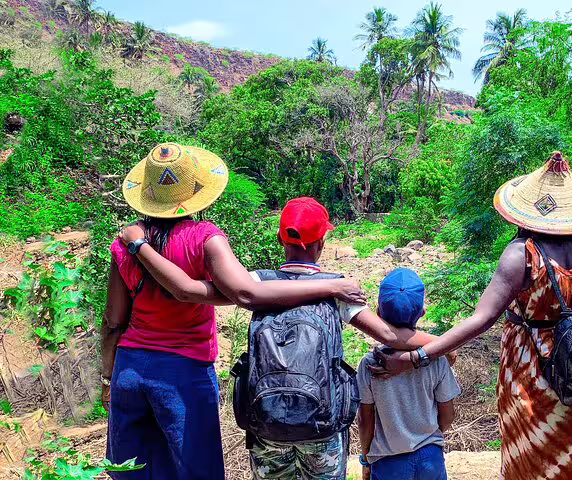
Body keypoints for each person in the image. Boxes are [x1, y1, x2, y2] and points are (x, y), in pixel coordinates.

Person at [119, 195, 453, 479]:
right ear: (322, 244)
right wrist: (440, 347)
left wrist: (140, 245)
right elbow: (388, 334)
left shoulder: (253, 283)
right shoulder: (336, 290)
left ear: (281, 240)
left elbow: (191, 291)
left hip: (267, 423)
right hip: (321, 427)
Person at [102, 143, 365, 480]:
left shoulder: (124, 245)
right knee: (197, 471)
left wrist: (108, 376)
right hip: (184, 372)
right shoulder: (203, 238)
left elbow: (114, 321)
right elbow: (246, 292)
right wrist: (332, 286)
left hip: (130, 369)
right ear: (196, 192)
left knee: (134, 471)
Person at [372, 152, 572, 480]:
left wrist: (416, 357)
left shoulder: (522, 255)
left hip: (535, 383)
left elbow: (481, 320)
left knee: (534, 464)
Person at [357, 268, 460, 480]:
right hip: (430, 457)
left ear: (378, 314)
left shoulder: (369, 365)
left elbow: (365, 421)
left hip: (387, 462)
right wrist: (427, 435)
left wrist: (366, 459)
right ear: (422, 311)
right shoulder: (437, 361)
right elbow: (448, 416)